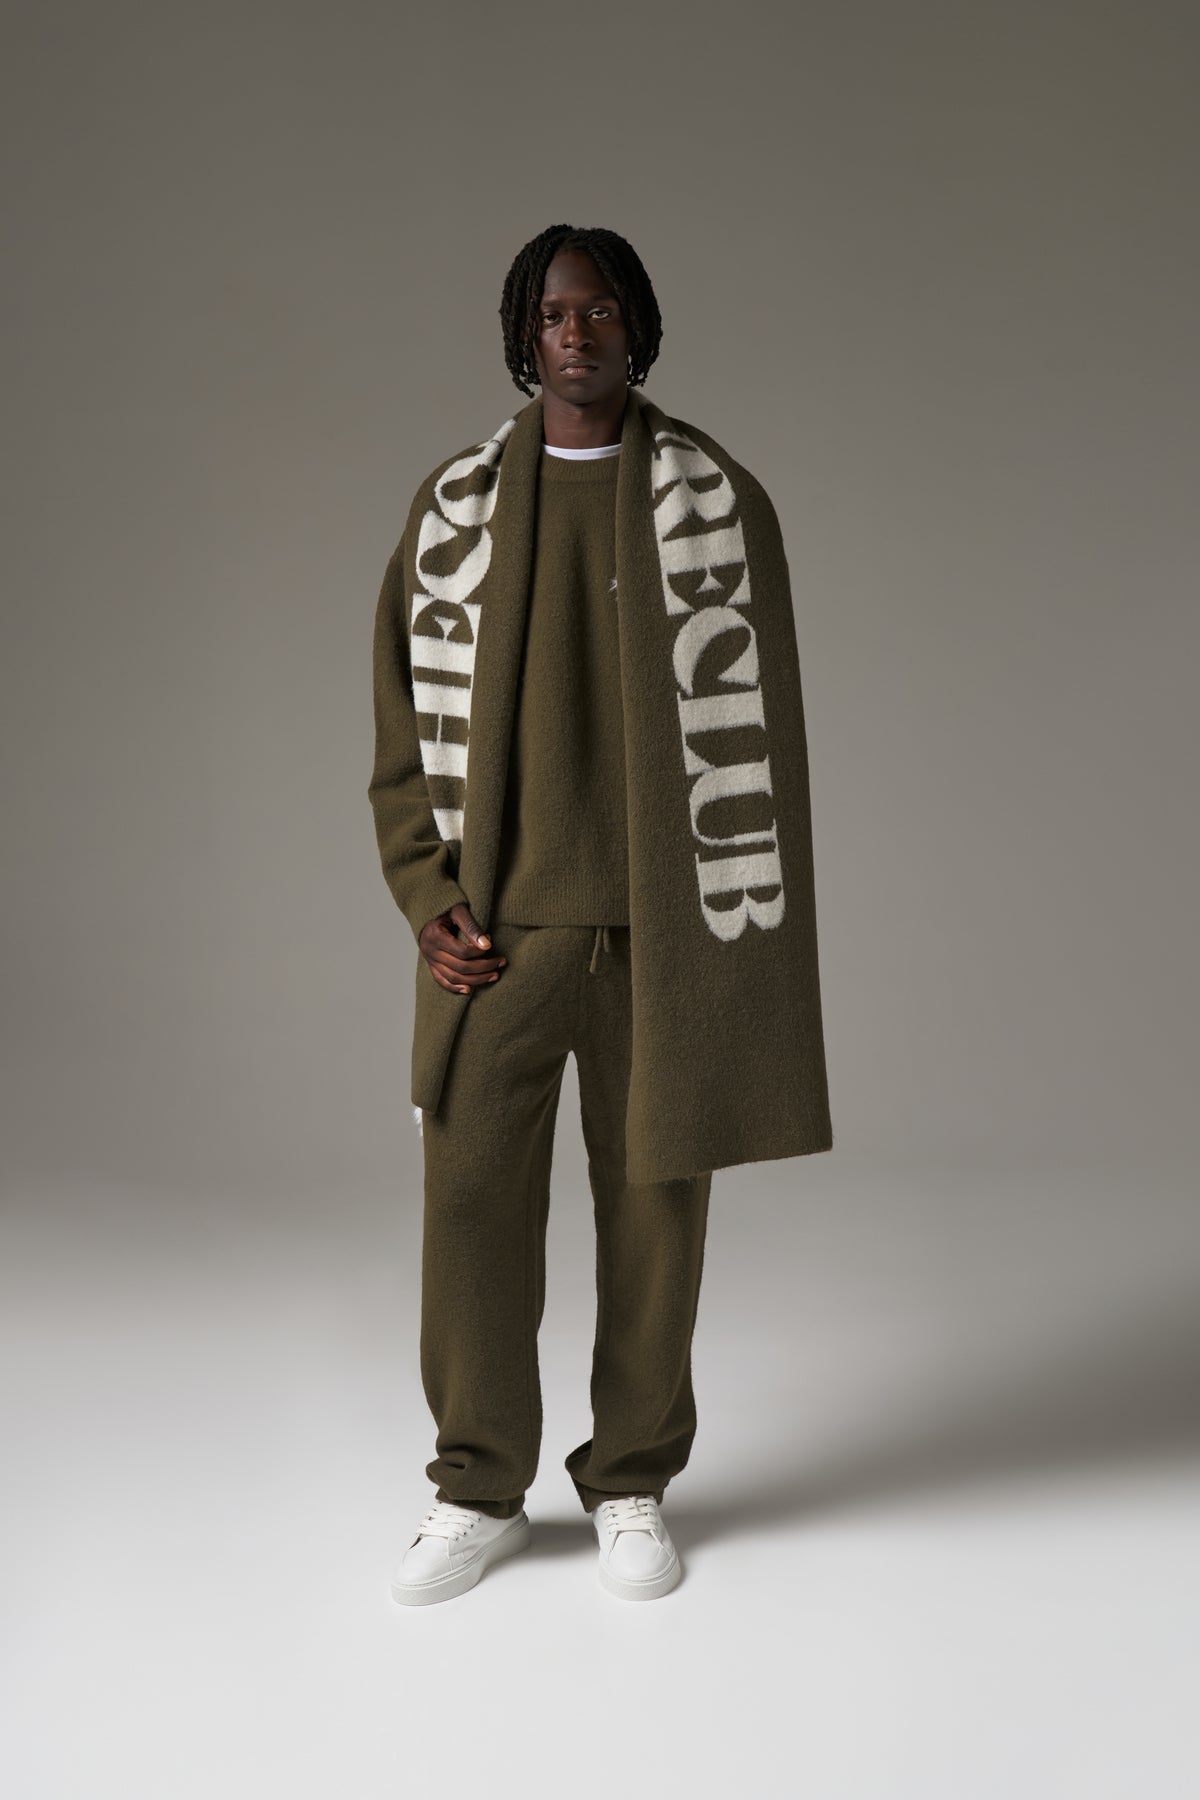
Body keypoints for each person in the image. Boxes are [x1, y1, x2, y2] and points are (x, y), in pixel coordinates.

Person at [368, 224, 832, 1606]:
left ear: (640, 327)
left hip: (662, 938)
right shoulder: (455, 506)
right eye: (556, 312)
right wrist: (425, 895)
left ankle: (631, 1479)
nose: (579, 330)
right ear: (527, 335)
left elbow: (764, 740)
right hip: (498, 935)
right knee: (469, 1208)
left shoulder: (715, 501)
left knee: (653, 1218)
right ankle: (477, 1488)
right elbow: (398, 727)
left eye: (603, 308)